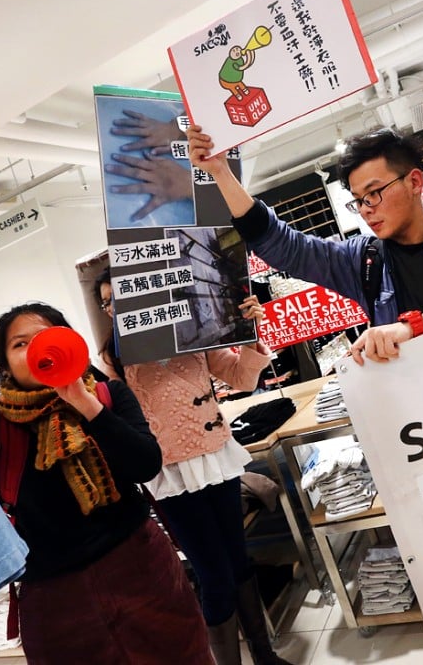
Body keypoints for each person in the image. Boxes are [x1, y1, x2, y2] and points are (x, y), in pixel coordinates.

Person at [0, 302, 213, 665]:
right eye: (19, 344)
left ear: (67, 341)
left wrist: (83, 403)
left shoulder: (108, 396)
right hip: (55, 599)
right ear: (4, 364)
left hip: (140, 570)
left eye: (45, 337)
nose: (35, 349)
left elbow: (145, 464)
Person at [187, 125, 423, 365]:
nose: (366, 208)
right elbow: (283, 246)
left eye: (375, 193)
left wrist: (413, 326)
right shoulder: (362, 259)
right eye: (358, 200)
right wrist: (221, 173)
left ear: (414, 181)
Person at [94, 270, 291, 665]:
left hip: (214, 455)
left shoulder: (192, 329)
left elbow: (240, 377)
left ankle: (264, 655)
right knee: (212, 573)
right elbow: (118, 416)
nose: (115, 306)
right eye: (107, 302)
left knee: (238, 559)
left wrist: (249, 333)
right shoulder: (113, 354)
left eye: (121, 295)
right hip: (170, 471)